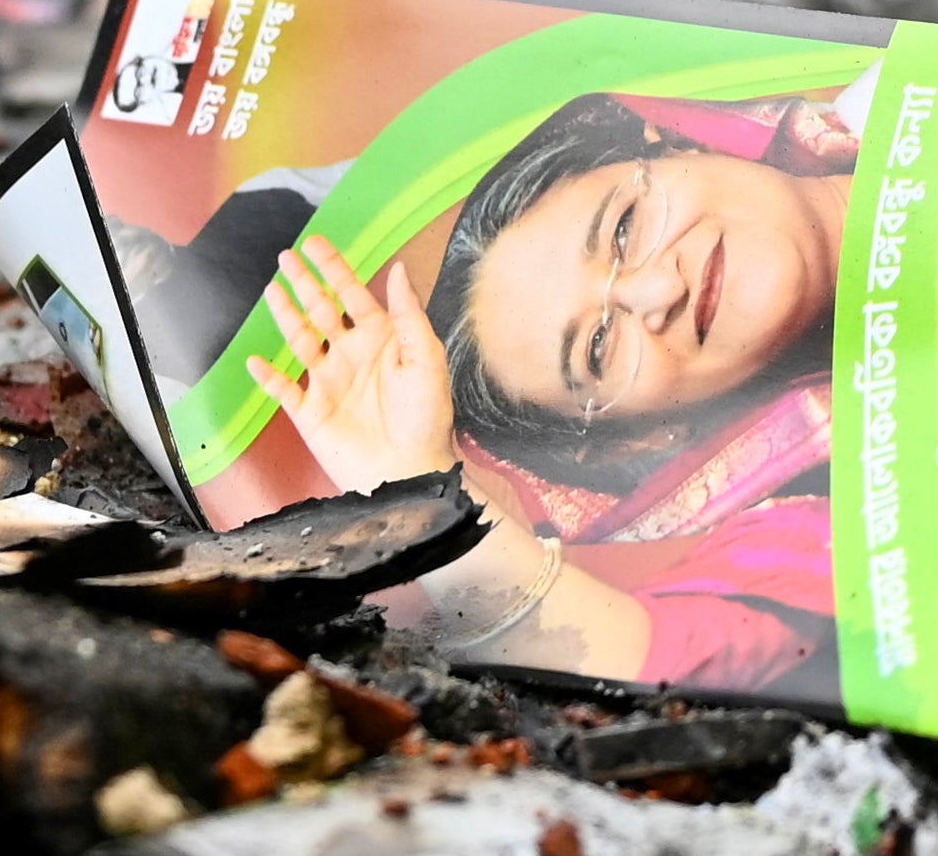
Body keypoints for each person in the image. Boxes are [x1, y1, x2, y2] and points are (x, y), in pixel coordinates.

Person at [251, 77, 874, 696]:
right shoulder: (871, 492)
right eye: (598, 348)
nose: (657, 292)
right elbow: (648, 666)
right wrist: (422, 492)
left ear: (675, 145)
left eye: (624, 229)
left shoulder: (909, 84)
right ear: (642, 438)